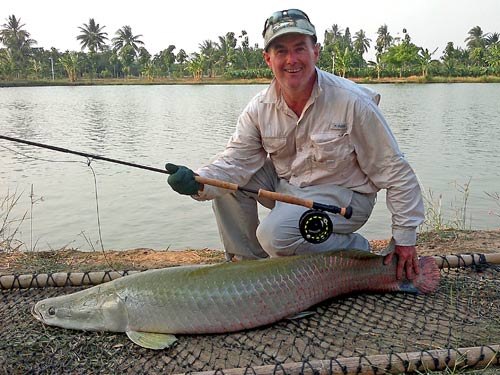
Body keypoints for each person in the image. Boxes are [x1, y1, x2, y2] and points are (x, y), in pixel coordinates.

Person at [166, 9, 424, 280]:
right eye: (281, 51)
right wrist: (199, 181)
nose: (292, 60)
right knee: (223, 183)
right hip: (288, 188)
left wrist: (405, 239)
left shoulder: (353, 102)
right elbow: (234, 161)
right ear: (268, 59)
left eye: (300, 48)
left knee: (275, 235)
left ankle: (353, 248)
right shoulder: (259, 108)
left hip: (347, 198)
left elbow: (396, 171)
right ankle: (248, 268)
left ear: (316, 52)